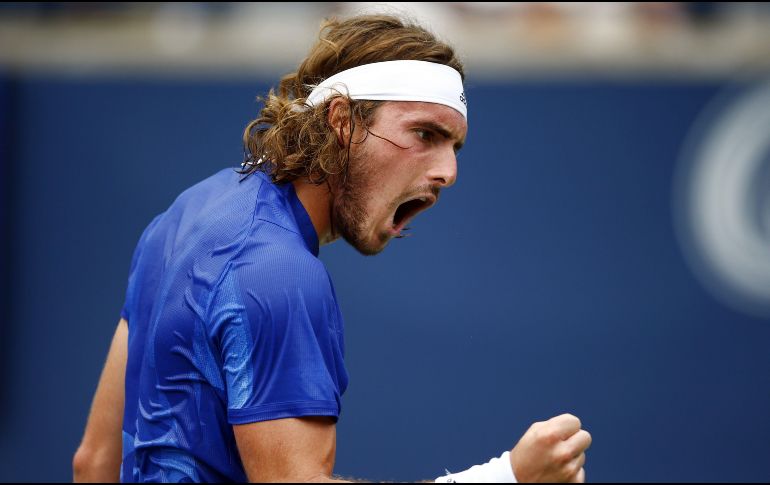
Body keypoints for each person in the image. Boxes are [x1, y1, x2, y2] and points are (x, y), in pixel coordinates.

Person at [73, 14, 591, 483]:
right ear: (342, 121)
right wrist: (504, 479)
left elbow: (95, 463)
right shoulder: (276, 272)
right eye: (424, 133)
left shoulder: (185, 215)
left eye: (453, 145)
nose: (448, 172)